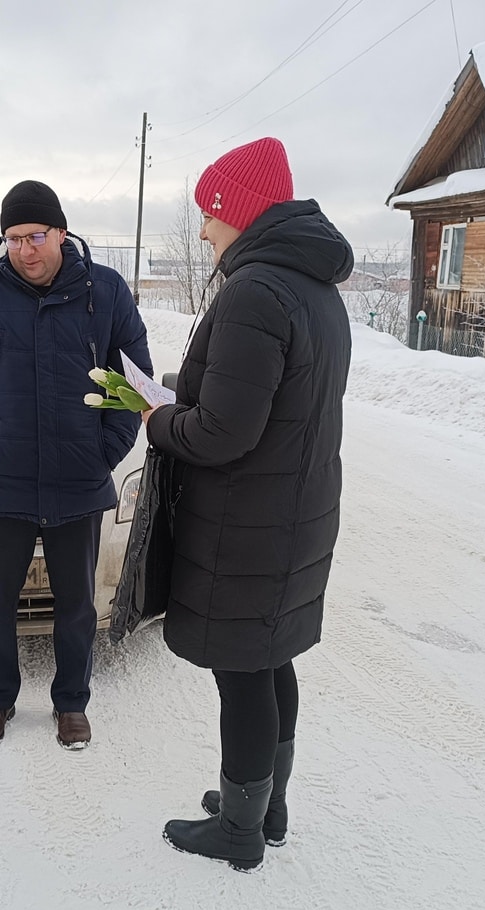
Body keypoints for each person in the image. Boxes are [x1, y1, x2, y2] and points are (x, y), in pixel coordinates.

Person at [142, 138, 353, 871]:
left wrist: (158, 418)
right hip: (294, 513)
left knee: (242, 673)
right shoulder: (316, 288)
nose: (203, 230)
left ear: (238, 211)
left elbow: (226, 431)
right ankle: (266, 807)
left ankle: (238, 832)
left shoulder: (257, 290)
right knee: (271, 661)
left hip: (251, 525)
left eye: (209, 213)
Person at [0, 180, 152, 750]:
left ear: (61, 231)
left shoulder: (104, 292)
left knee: (76, 605)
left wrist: (105, 450)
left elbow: (132, 380)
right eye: (13, 238)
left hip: (78, 480)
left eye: (36, 235)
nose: (26, 250)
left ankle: (71, 702)